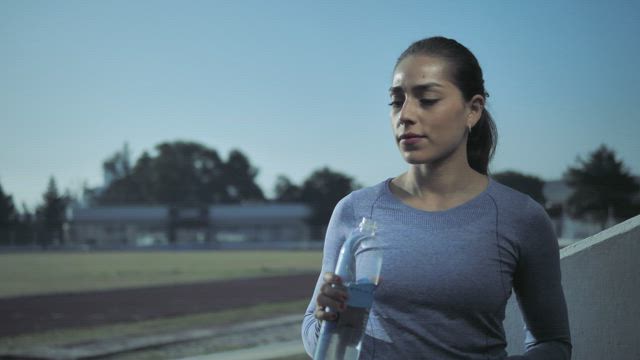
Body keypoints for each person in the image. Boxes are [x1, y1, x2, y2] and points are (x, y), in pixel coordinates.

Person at [301, 36, 572, 359]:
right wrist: (327, 317)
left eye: (427, 99)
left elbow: (552, 343)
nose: (406, 115)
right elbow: (313, 334)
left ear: (472, 110)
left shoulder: (521, 217)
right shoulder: (354, 210)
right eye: (396, 101)